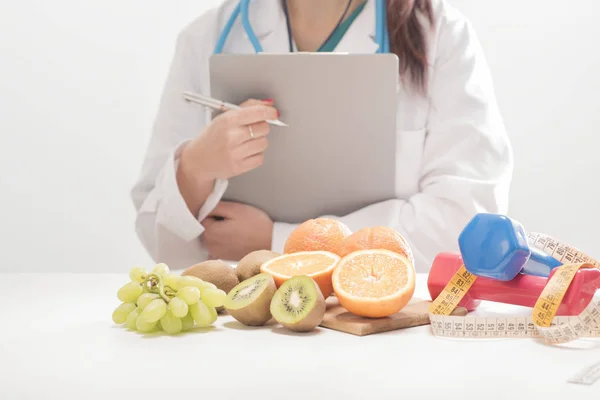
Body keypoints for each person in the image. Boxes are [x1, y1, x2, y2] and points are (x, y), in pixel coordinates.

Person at [130, 0, 513, 271]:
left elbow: (465, 226)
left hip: (380, 327)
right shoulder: (205, 38)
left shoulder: (442, 35)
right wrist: (195, 169)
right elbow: (163, 247)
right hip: (244, 330)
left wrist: (280, 243)